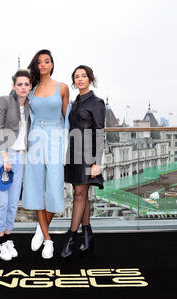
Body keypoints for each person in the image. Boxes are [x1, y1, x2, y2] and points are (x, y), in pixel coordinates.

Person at [22, 49, 70, 259]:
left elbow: (67, 118)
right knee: (36, 188)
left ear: (52, 64)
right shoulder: (31, 90)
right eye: (39, 62)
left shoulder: (62, 87)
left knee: (53, 186)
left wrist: (66, 144)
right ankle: (48, 239)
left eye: (47, 61)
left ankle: (41, 229)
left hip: (56, 139)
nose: (43, 64)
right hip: (35, 139)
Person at [0, 69, 32, 261]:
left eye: (26, 84)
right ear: (14, 86)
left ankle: (8, 239)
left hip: (19, 156)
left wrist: (21, 153)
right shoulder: (4, 100)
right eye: (19, 84)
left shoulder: (29, 106)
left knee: (13, 203)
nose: (23, 87)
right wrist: (5, 156)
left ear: (30, 87)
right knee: (2, 202)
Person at [61, 65, 105, 259]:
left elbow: (100, 133)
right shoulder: (75, 102)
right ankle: (88, 234)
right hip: (73, 153)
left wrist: (96, 161)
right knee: (82, 194)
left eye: (83, 76)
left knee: (79, 195)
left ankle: (71, 237)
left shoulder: (97, 102)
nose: (80, 79)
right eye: (76, 77)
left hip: (87, 155)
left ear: (90, 79)